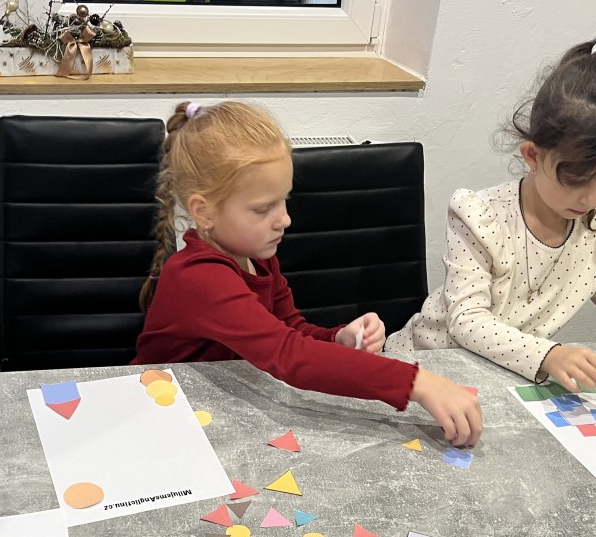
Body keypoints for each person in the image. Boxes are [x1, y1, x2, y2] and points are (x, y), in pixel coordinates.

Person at [134, 100, 482, 446]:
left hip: (214, 406)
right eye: (263, 208)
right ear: (204, 211)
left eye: (283, 200)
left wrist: (337, 338)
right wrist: (417, 382)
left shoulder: (256, 255)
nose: (284, 219)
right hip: (158, 412)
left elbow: (292, 329)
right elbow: (289, 354)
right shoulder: (199, 277)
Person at [385, 36, 596, 400]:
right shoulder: (481, 217)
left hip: (499, 380)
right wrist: (550, 355)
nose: (592, 199)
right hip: (423, 368)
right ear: (533, 155)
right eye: (575, 179)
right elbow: (466, 320)